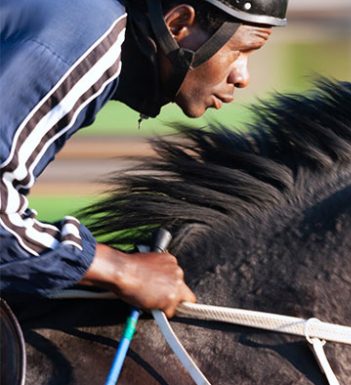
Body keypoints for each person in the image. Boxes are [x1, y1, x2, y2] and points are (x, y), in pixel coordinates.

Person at [0, 0, 287, 317]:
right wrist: (120, 270)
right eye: (240, 51)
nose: (243, 77)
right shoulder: (85, 31)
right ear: (178, 25)